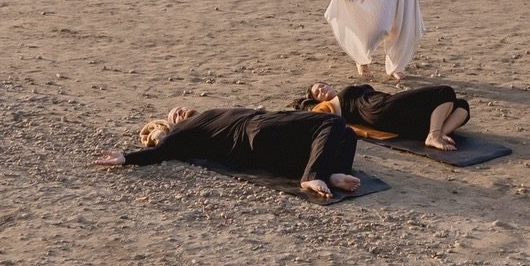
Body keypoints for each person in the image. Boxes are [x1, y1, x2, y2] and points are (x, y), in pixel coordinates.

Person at [93, 104, 361, 201]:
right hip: (255, 130)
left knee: (345, 134)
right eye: (173, 114)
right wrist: (127, 157)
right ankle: (313, 174)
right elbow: (162, 151)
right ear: (172, 123)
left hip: (271, 139)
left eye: (180, 108)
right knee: (332, 122)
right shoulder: (185, 131)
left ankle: (333, 174)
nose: (179, 111)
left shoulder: (208, 114)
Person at [295, 79, 471, 152]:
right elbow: (323, 119)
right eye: (318, 92)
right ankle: (434, 135)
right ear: (317, 101)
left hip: (389, 113)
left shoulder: (341, 95)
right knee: (444, 92)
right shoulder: (334, 104)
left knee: (462, 105)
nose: (322, 90)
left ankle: (439, 133)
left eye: (322, 85)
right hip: (379, 108)